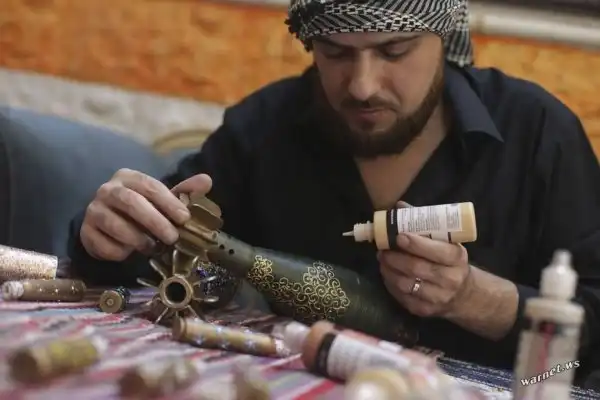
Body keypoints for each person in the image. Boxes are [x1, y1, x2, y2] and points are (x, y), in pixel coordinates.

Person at [68, 0, 600, 387]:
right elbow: (153, 259)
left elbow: (590, 342)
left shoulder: (538, 134)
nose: (362, 85)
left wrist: (475, 300)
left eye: (393, 50)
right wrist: (110, 235)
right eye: (336, 52)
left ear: (443, 38)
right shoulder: (264, 130)